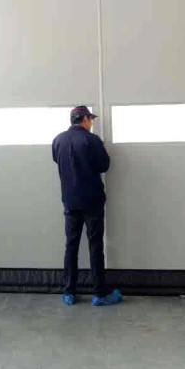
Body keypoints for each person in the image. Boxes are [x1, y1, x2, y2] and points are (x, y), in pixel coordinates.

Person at [52, 106, 123, 307]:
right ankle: (100, 293)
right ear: (84, 119)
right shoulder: (92, 140)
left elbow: (57, 160)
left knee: (71, 245)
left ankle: (69, 292)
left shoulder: (58, 140)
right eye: (90, 119)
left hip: (70, 200)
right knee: (95, 245)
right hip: (92, 200)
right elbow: (104, 166)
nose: (91, 123)